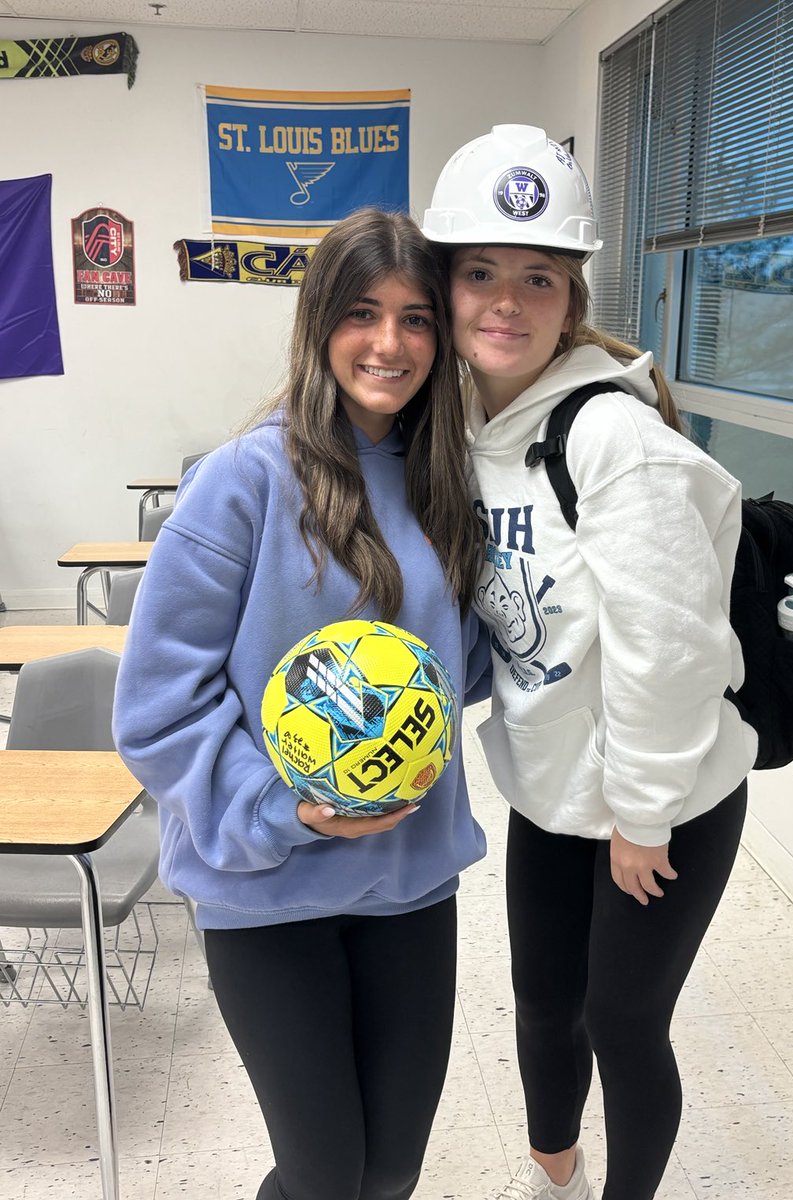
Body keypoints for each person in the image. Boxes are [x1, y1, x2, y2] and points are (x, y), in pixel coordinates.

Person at [113, 207, 490, 1200]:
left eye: (417, 318)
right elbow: (158, 704)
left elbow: (463, 673)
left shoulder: (446, 481)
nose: (390, 343)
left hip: (411, 886)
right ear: (321, 322)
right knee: (325, 1175)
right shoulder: (241, 482)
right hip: (265, 890)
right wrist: (281, 809)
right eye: (364, 312)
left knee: (393, 1172)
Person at [423, 125, 758, 1200]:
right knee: (540, 1001)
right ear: (444, 285)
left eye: (537, 277)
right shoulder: (468, 425)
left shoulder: (607, 435)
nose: (506, 302)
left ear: (571, 297)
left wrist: (644, 813)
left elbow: (673, 648)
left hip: (662, 790)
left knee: (621, 1019)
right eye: (479, 273)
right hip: (556, 786)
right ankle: (552, 1175)